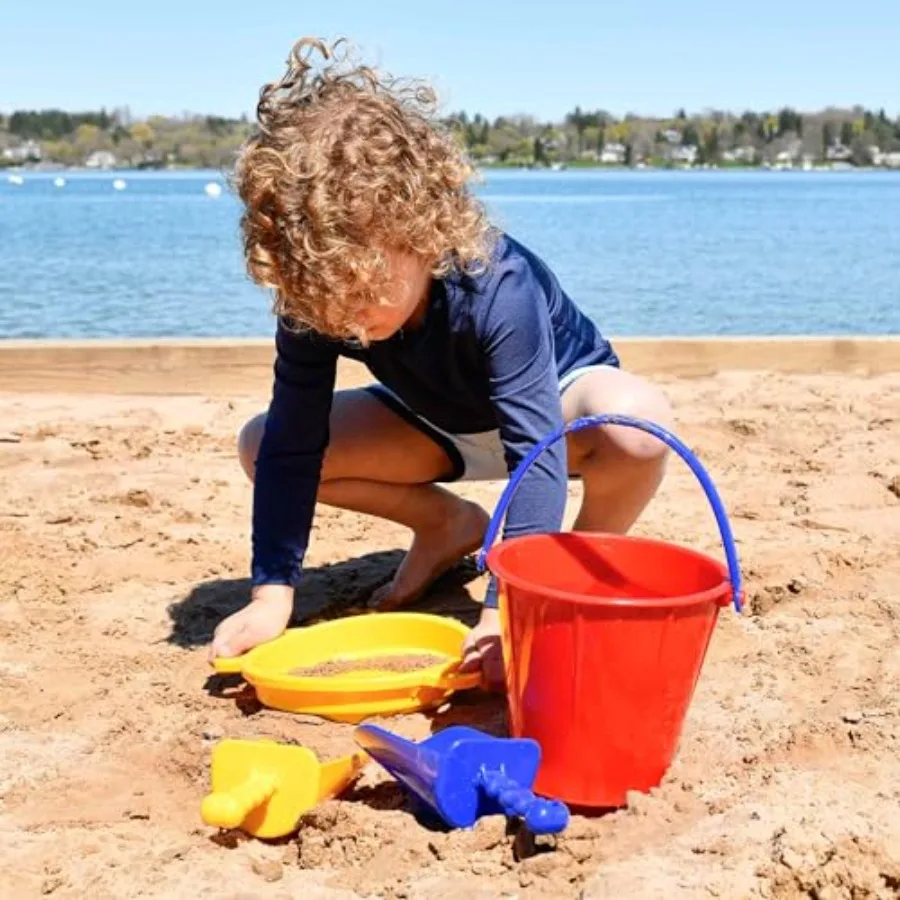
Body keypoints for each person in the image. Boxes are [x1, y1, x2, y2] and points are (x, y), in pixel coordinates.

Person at [208, 37, 673, 689]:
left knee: (639, 423)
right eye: (325, 299)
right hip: (436, 422)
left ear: (418, 232)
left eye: (365, 292)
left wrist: (501, 607)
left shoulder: (496, 284)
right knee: (260, 445)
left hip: (558, 414)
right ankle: (447, 524)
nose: (346, 320)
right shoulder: (320, 297)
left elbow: (535, 454)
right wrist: (271, 594)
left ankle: (566, 572)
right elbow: (293, 445)